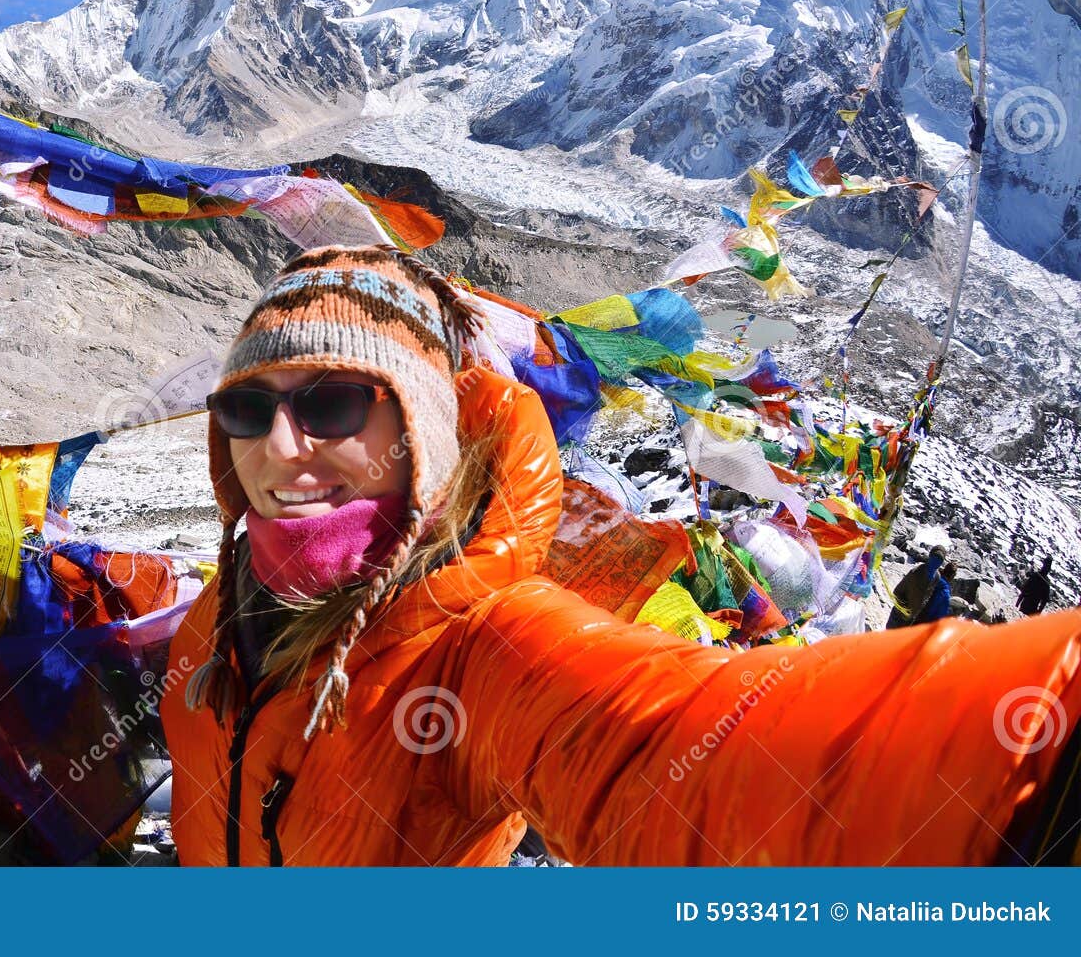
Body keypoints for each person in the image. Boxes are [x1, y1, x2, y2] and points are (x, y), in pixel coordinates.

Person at [161, 244, 1081, 866]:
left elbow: (693, 756)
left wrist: (1040, 733)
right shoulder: (216, 621)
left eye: (330, 403)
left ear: (424, 431)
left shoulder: (478, 649)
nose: (281, 448)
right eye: (248, 409)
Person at [886, 547, 947, 628]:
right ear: (929, 557)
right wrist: (903, 609)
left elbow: (927, 596)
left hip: (912, 617)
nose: (936, 563)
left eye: (939, 561)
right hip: (899, 615)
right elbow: (897, 591)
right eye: (934, 558)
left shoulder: (937, 577)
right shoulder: (915, 572)